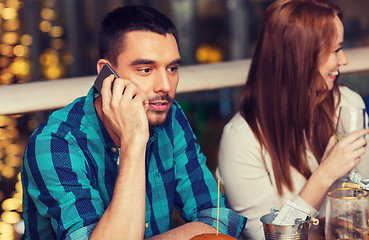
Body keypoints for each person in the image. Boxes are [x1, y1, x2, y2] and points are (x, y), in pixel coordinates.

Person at [21, 5, 246, 239]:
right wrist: (133, 143)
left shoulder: (170, 117)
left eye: (172, 68)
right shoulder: (54, 143)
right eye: (146, 69)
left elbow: (218, 218)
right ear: (106, 74)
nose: (166, 86)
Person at [216, 0, 369, 239]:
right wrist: (325, 174)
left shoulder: (348, 105)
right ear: (301, 57)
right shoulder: (241, 138)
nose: (344, 60)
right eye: (336, 49)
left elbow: (363, 203)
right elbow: (266, 235)